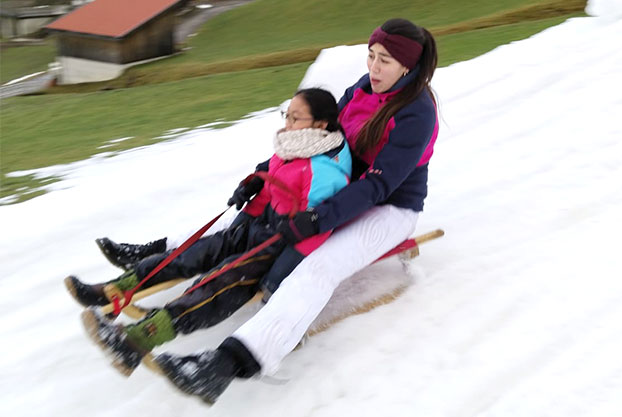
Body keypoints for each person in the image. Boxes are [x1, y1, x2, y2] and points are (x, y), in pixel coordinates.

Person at [151, 18, 440, 405]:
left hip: (388, 208)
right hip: (341, 187)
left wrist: (321, 218)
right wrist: (263, 174)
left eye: (385, 61)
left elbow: (378, 186)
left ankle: (227, 364)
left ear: (408, 66)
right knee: (259, 212)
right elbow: (315, 140)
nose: (373, 68)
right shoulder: (362, 88)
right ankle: (161, 258)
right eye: (371, 56)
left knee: (318, 267)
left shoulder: (416, 113)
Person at [69, 88, 353, 377]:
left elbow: (317, 229)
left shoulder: (326, 171)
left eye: (296, 118)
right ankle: (117, 289)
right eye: (286, 115)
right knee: (191, 253)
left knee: (218, 283)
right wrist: (248, 199)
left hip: (280, 245)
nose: (287, 124)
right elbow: (272, 186)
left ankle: (135, 341)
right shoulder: (294, 145)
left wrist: (277, 276)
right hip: (256, 227)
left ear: (320, 124)